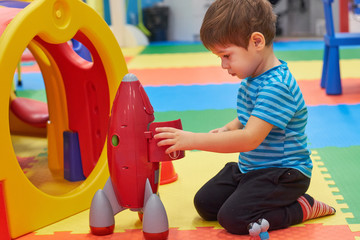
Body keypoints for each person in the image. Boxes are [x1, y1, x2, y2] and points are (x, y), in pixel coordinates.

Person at [154, 0, 335, 235]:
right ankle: (252, 192)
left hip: (284, 174)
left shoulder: (277, 87)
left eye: (226, 55)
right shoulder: (254, 78)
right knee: (205, 204)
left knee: (233, 218)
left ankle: (302, 206)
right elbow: (249, 116)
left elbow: (249, 138)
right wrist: (229, 128)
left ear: (256, 42)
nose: (223, 64)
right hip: (253, 168)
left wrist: (191, 140)